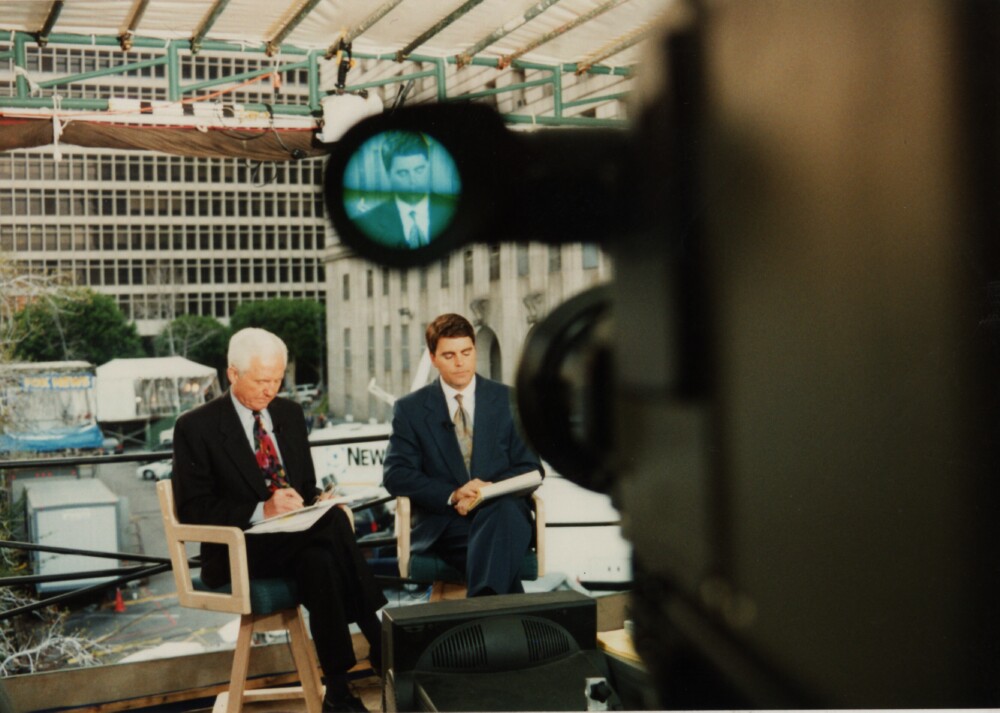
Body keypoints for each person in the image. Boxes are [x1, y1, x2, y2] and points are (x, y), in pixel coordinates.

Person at [172, 327, 386, 713]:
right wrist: (262, 510)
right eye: (261, 380)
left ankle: (338, 691)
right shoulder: (196, 426)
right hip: (240, 550)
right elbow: (193, 509)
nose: (270, 390)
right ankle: (380, 638)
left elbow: (304, 486)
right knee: (333, 526)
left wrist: (319, 500)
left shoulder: (289, 413)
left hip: (300, 540)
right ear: (233, 373)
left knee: (320, 558)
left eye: (277, 380)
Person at [383, 313, 542, 596]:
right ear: (433, 358)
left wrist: (487, 491)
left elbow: (530, 467)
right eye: (449, 355)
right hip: (447, 523)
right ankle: (493, 612)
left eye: (466, 353)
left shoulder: (508, 400)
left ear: (475, 351)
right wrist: (454, 494)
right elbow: (396, 475)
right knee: (497, 551)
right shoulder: (410, 409)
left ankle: (483, 610)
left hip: (502, 512)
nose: (460, 362)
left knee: (502, 515)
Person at [353, 131, 457, 249]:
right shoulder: (367, 223)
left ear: (428, 166)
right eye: (403, 173)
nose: (413, 180)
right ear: (388, 175)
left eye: (419, 170)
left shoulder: (455, 210)